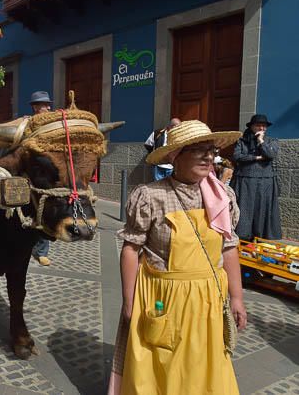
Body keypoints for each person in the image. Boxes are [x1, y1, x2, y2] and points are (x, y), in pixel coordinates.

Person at [108, 120, 247, 395]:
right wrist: (129, 300)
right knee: (163, 363)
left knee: (203, 364)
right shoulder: (150, 196)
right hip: (163, 296)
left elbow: (228, 248)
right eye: (198, 150)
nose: (209, 157)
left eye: (211, 150)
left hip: (208, 297)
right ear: (175, 156)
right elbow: (131, 249)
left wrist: (237, 298)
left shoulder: (223, 196)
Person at [230, 114, 281, 240]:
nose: (261, 128)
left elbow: (270, 154)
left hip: (265, 181)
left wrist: (261, 141)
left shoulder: (272, 141)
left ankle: (261, 236)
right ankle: (243, 236)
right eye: (258, 125)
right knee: (245, 208)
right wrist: (256, 158)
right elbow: (237, 157)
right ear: (252, 126)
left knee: (262, 209)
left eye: (264, 126)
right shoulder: (242, 141)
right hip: (245, 180)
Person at [29, 91, 53, 266]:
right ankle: (28, 244)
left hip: (47, 175)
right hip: (29, 173)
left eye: (46, 104)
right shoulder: (27, 123)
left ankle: (42, 251)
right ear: (35, 107)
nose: (46, 107)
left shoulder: (54, 124)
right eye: (42, 105)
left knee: (46, 210)